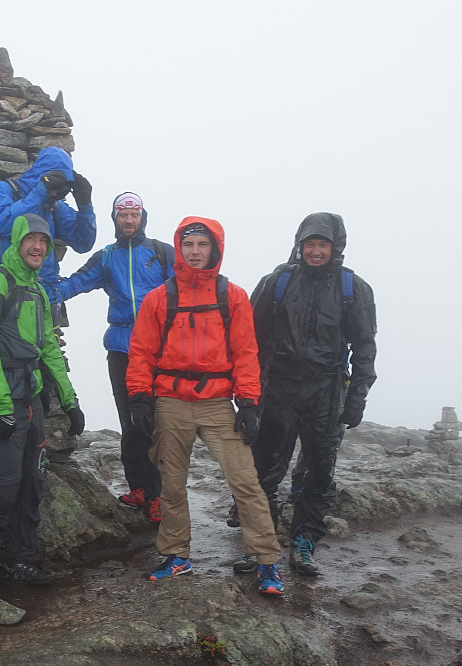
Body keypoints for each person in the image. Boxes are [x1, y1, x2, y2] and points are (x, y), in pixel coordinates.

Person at [126, 216, 284, 596]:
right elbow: (141, 352)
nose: (195, 252)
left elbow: (247, 352)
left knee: (245, 481)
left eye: (202, 245)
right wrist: (138, 397)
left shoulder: (233, 296)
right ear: (179, 249)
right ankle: (176, 555)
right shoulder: (159, 298)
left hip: (217, 404)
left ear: (215, 249)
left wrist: (248, 402)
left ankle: (267, 562)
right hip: (170, 402)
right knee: (172, 485)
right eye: (188, 245)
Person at [248, 212, 377, 576]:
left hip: (327, 389)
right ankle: (261, 540)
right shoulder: (278, 281)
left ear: (336, 247)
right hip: (279, 388)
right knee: (264, 469)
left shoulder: (354, 289)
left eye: (323, 245)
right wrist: (249, 392)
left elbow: (364, 348)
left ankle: (305, 541)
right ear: (299, 245)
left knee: (319, 471)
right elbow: (251, 340)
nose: (315, 251)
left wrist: (357, 397)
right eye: (310, 244)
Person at [0, 213, 86, 595]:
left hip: (32, 401)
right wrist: (2, 405)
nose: (37, 247)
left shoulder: (37, 291)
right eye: (31, 240)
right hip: (0, 401)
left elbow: (49, 348)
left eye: (44, 242)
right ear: (17, 242)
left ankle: (20, 559)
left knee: (32, 484)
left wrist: (70, 401)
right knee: (3, 487)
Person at [57, 192, 172, 524]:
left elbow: (189, 287)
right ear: (115, 219)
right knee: (130, 421)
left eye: (134, 214)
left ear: (142, 217)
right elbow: (76, 283)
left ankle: (156, 495)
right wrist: (44, 290)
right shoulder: (106, 258)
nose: (129, 220)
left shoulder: (162, 253)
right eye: (123, 215)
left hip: (158, 350)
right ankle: (139, 487)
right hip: (121, 347)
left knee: (152, 421)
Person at [0, 146, 96, 310]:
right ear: (42, 175)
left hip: (45, 299)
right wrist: (41, 191)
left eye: (62, 189)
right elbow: (4, 227)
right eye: (54, 186)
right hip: (6, 295)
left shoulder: (55, 207)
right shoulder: (4, 190)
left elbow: (84, 243)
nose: (55, 194)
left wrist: (85, 206)